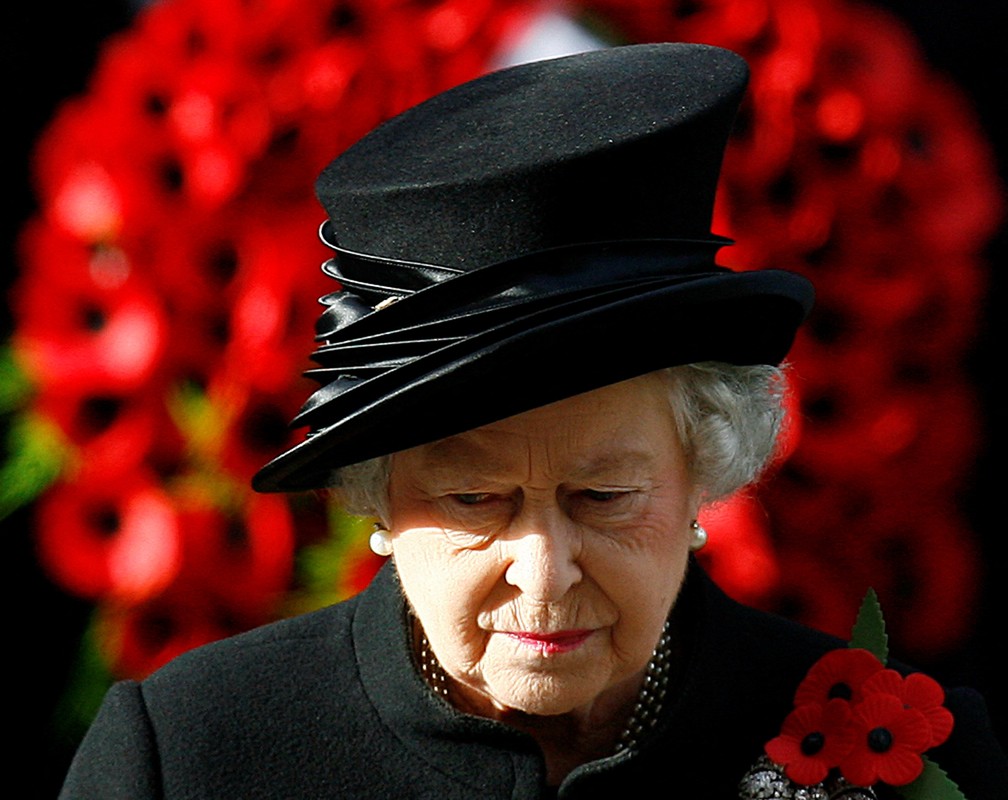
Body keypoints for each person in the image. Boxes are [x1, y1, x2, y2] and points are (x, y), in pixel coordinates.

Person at [58, 43, 1007, 799]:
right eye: (475, 498)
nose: (545, 568)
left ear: (701, 480)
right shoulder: (189, 759)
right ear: (382, 497)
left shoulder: (886, 750)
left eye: (603, 495)